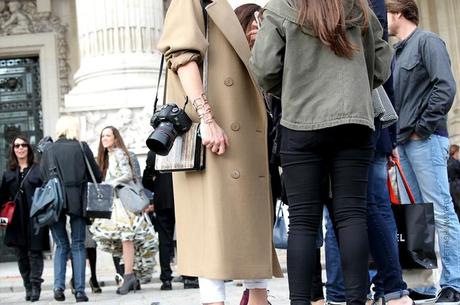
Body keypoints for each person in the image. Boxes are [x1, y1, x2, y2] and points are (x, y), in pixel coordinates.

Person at [251, 0, 392, 304]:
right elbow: (381, 64)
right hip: (354, 121)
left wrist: (290, 90)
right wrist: (356, 85)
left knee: (302, 220)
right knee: (352, 215)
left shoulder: (281, 6)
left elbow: (264, 68)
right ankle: (356, 300)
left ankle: (301, 301)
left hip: (301, 121)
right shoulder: (358, 7)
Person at [157, 0, 283, 304]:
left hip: (247, 134)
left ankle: (259, 299)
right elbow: (182, 56)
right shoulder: (193, 2)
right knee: (210, 231)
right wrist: (207, 119)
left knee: (250, 228)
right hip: (216, 132)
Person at [323, 1, 412, 305]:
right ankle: (389, 289)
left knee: (347, 209)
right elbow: (383, 72)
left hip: (352, 122)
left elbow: (378, 69)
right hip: (371, 124)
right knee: (370, 207)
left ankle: (346, 292)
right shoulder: (370, 5)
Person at [387, 0, 460, 303]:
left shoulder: (428, 42)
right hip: (404, 143)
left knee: (441, 212)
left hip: (425, 141)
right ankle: (424, 283)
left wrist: (423, 128)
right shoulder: (395, 53)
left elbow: (446, 87)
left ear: (400, 14)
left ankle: (454, 282)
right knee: (416, 217)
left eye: (387, 14)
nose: (384, 20)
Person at [40, 115, 102, 303]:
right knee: (78, 244)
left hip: (55, 200)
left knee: (60, 245)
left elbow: (43, 177)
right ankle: (80, 292)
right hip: (78, 200)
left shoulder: (48, 149)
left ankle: (58, 288)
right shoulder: (82, 147)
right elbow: (97, 176)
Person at [90, 126, 156, 295]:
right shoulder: (106, 156)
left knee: (127, 238)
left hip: (123, 203)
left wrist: (110, 184)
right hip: (115, 203)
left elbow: (128, 174)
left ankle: (128, 276)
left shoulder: (119, 153)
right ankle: (128, 275)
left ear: (115, 138)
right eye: (102, 135)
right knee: (122, 240)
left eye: (108, 135)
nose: (104, 138)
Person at [0, 135, 49, 302]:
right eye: (16, 146)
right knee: (21, 255)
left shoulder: (38, 169)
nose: (20, 148)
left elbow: (46, 193)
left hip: (35, 218)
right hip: (16, 221)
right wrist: (3, 220)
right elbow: (3, 199)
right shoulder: (8, 173)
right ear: (13, 150)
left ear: (28, 148)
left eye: (23, 145)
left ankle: (36, 285)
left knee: (35, 253)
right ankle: (27, 285)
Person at [448, 144, 460, 221]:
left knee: (457, 209)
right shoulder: (455, 163)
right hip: (457, 187)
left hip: (451, 188)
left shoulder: (448, 162)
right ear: (456, 152)